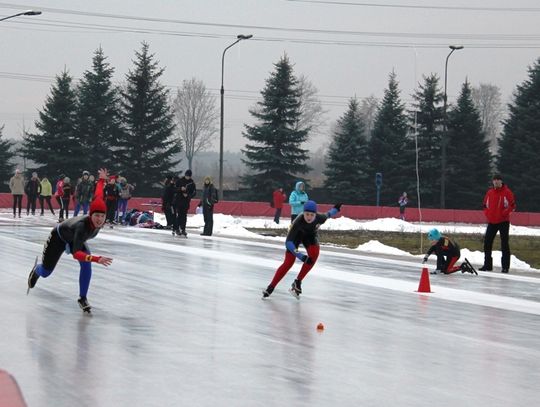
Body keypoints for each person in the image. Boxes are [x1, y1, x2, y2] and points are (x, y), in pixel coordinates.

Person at [26, 199, 113, 313]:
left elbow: (99, 195)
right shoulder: (82, 226)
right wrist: (96, 259)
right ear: (91, 215)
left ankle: (83, 298)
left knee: (86, 265)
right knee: (46, 272)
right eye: (97, 215)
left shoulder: (97, 224)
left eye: (102, 216)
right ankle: (37, 270)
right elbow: (77, 254)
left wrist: (101, 181)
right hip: (58, 238)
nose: (99, 219)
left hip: (74, 239)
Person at [262, 200, 342, 299]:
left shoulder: (320, 218)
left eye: (312, 215)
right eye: (307, 214)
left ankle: (297, 282)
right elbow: (288, 243)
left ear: (315, 214)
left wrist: (336, 209)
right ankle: (271, 287)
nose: (309, 217)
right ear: (303, 213)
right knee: (288, 263)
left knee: (314, 255)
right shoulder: (298, 223)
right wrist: (301, 256)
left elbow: (328, 214)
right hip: (296, 236)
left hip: (310, 236)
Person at [480, 174, 516, 273]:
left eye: (498, 180)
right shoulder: (490, 192)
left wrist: (504, 213)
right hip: (492, 221)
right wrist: (488, 214)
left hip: (503, 221)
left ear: (501, 182)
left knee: (504, 244)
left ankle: (505, 266)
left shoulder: (507, 192)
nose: (496, 182)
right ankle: (487, 265)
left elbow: (512, 205)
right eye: (494, 180)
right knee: (487, 242)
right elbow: (484, 205)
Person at [172, 169, 196, 237]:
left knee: (184, 216)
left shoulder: (192, 183)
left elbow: (194, 192)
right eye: (186, 176)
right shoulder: (180, 181)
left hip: (186, 201)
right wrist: (180, 189)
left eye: (189, 176)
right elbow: (174, 189)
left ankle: (183, 229)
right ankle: (177, 228)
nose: (187, 177)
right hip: (179, 201)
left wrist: (188, 195)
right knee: (179, 215)